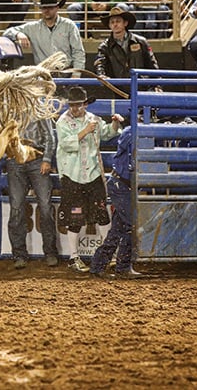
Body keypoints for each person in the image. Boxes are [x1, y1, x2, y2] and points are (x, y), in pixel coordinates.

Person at [56, 86, 123, 272]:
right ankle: (74, 257)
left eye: (78, 105)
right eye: (72, 105)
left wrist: (115, 124)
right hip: (72, 176)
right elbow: (66, 144)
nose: (74, 108)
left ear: (85, 104)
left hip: (92, 174)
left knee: (102, 215)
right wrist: (85, 131)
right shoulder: (63, 122)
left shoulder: (94, 120)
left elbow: (108, 133)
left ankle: (110, 254)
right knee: (75, 219)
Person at [6, 112, 58, 269]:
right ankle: (19, 254)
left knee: (45, 206)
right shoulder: (9, 112)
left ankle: (50, 252)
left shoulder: (39, 111)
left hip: (36, 158)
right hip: (16, 159)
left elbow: (50, 137)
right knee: (16, 208)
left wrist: (47, 159)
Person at [88, 124, 141, 278]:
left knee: (120, 227)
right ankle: (122, 266)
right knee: (130, 224)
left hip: (123, 185)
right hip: (121, 185)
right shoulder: (130, 131)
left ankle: (99, 265)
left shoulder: (132, 131)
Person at [4, 0, 85, 69]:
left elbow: (78, 52)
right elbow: (7, 32)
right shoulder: (33, 27)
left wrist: (76, 75)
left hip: (66, 72)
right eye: (44, 8)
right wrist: (19, 34)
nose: (47, 10)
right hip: (43, 74)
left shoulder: (69, 25)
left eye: (50, 7)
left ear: (57, 8)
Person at [94, 7, 160, 79]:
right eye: (112, 22)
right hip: (117, 88)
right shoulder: (104, 47)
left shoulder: (141, 42)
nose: (115, 24)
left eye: (118, 21)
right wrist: (101, 75)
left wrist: (157, 85)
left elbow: (152, 64)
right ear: (109, 26)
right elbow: (100, 64)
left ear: (125, 23)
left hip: (140, 86)